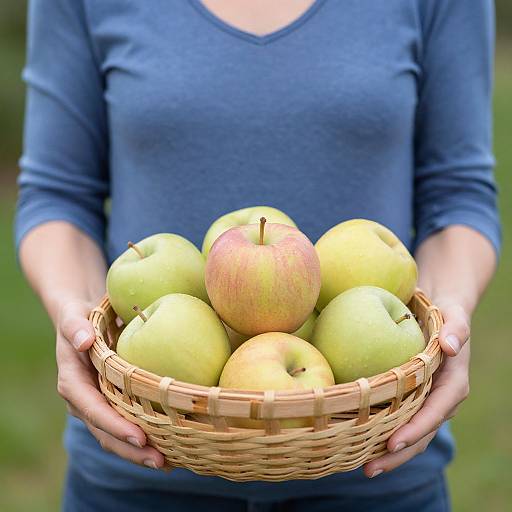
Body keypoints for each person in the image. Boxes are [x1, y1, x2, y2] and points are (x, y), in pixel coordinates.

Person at [16, 1, 500, 511]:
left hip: (376, 463)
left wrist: (450, 316)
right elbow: (58, 194)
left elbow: (457, 192)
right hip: (141, 462)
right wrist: (74, 315)